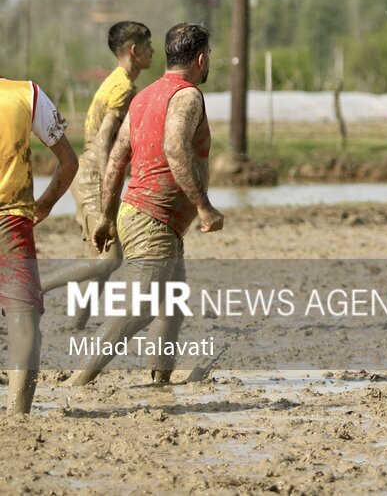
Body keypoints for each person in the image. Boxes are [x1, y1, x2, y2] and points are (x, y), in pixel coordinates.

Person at [69, 23, 224, 387]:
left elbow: (118, 158)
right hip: (152, 217)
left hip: (150, 218)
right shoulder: (187, 97)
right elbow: (174, 148)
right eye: (210, 56)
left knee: (172, 304)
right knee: (140, 307)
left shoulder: (145, 96)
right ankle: (78, 382)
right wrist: (203, 206)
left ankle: (160, 380)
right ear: (201, 59)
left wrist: (108, 216)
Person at [41, 21, 153, 329]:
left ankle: (77, 323)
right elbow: (104, 139)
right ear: (134, 50)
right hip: (93, 172)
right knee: (111, 258)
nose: (153, 52)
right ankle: (38, 289)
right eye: (149, 46)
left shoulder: (119, 81)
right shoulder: (123, 87)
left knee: (102, 254)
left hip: (90, 170)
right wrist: (109, 187)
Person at [0, 75, 78, 414]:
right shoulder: (25, 94)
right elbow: (69, 162)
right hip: (11, 219)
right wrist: (44, 205)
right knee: (24, 318)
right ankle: (18, 416)